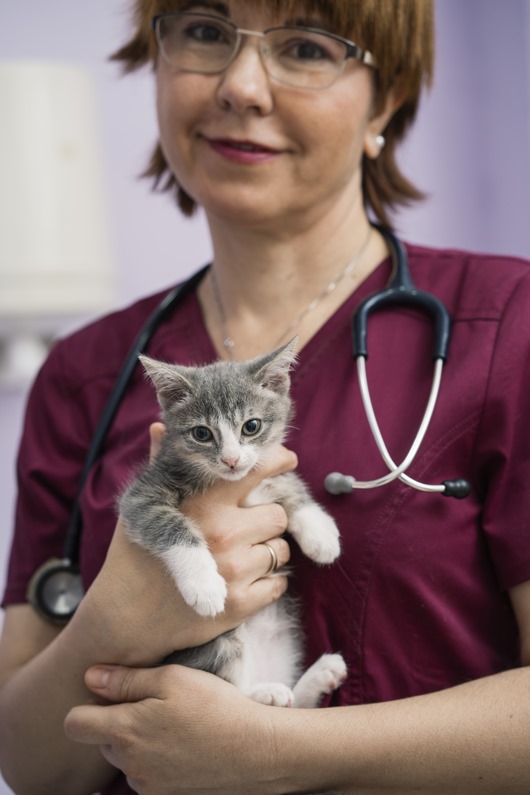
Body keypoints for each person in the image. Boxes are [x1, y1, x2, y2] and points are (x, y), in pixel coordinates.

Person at [1, 0, 530, 793]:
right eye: (207, 32)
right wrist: (114, 620)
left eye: (307, 47)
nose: (242, 85)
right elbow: (33, 765)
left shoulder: (510, 324)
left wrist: (282, 754)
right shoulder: (85, 374)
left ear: (385, 99)